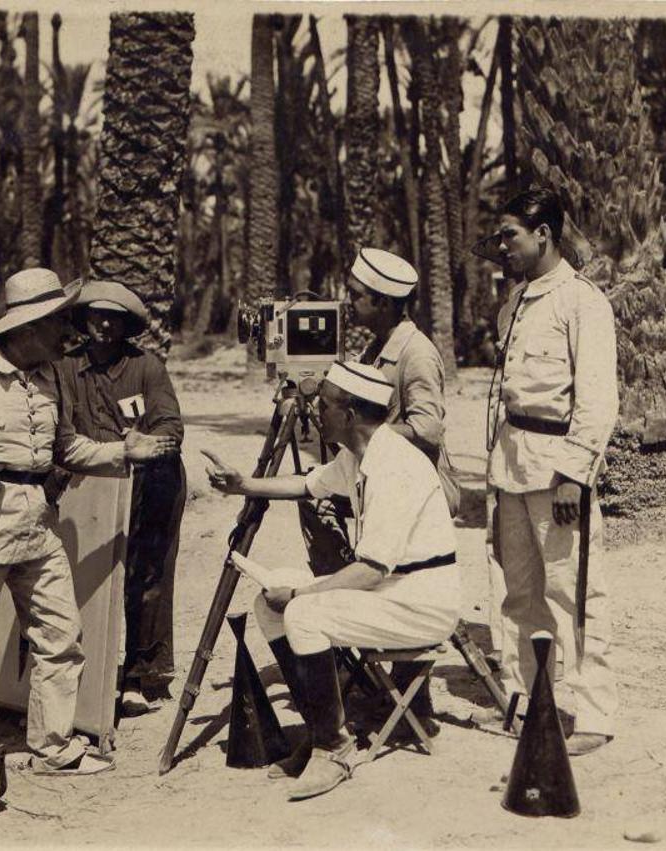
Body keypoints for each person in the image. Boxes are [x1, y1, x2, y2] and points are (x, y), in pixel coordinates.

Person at [0, 268, 178, 805]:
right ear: (26, 327)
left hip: (37, 529)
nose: (66, 334)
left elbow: (66, 449)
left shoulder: (50, 376)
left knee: (60, 638)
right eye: (56, 324)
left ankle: (52, 746)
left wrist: (124, 452)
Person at [204, 361, 460, 801]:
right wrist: (242, 484)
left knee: (302, 611)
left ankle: (334, 748)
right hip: (393, 590)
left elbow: (371, 570)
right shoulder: (359, 453)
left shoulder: (394, 466)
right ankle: (321, 726)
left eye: (324, 405)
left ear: (352, 414)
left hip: (423, 601)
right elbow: (307, 486)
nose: (314, 414)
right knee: (269, 601)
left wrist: (302, 594)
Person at [483, 188, 618, 757]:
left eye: (510, 235)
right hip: (511, 461)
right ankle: (528, 700)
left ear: (544, 235)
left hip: (556, 462)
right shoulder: (514, 302)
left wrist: (573, 473)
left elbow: (597, 398)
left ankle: (592, 712)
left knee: (573, 593)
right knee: (518, 593)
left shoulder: (583, 303)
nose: (501, 246)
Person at [55, 280, 185, 715]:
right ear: (83, 319)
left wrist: (148, 443)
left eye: (114, 317)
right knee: (86, 577)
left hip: (149, 484)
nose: (105, 324)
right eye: (96, 315)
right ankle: (89, 674)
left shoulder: (146, 367)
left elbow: (171, 427)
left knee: (146, 577)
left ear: (127, 324)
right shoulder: (65, 368)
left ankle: (141, 676)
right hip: (90, 483)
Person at [346, 247, 460, 515]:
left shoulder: (416, 354)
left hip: (417, 490)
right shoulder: (376, 348)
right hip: (386, 478)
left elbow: (428, 431)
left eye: (356, 295)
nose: (348, 302)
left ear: (383, 303)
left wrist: (363, 432)